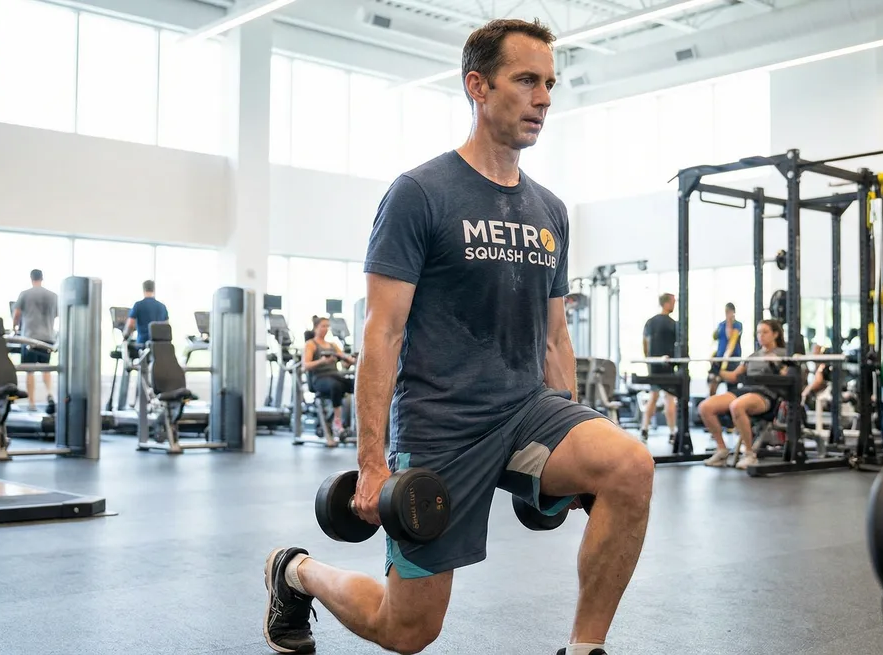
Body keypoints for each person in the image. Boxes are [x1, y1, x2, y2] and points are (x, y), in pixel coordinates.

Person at [262, 19, 653, 655]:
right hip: (441, 424)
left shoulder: (550, 210)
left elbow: (554, 337)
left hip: (527, 413)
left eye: (550, 83)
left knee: (628, 465)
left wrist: (578, 428)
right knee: (407, 630)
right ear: (477, 85)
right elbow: (382, 333)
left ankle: (586, 648)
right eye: (526, 80)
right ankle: (296, 572)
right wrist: (371, 462)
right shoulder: (420, 194)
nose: (544, 98)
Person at [698, 319, 788, 470]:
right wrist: (716, 369)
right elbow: (734, 376)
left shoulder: (784, 354)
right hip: (746, 390)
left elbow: (788, 376)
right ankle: (722, 450)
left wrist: (777, 365)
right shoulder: (753, 356)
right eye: (758, 332)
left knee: (737, 406)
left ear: (776, 334)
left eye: (765, 332)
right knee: (705, 407)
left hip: (766, 393)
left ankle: (749, 454)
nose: (761, 336)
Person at [303, 316, 356, 446]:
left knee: (357, 384)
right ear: (316, 328)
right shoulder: (311, 344)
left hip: (335, 375)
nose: (326, 329)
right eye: (323, 326)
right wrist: (323, 361)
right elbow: (306, 365)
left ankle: (363, 423)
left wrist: (349, 360)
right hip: (319, 379)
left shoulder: (333, 345)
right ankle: (337, 423)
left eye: (327, 326)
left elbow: (346, 362)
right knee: (335, 386)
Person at [13, 269, 58, 412]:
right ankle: (50, 394)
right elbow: (57, 314)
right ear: (42, 278)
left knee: (30, 370)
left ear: (31, 278)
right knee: (46, 368)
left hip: (29, 337)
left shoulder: (25, 294)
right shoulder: (53, 296)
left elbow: (17, 314)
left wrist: (14, 328)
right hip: (47, 337)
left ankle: (31, 403)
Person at [640, 293, 677, 441]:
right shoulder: (674, 324)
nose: (674, 305)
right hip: (666, 366)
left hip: (654, 365)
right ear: (666, 303)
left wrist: (649, 360)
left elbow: (645, 343)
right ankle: (673, 432)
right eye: (673, 302)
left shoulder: (650, 322)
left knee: (653, 397)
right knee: (669, 398)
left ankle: (644, 429)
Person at [708, 303, 744, 395]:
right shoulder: (721, 324)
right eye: (726, 312)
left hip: (732, 358)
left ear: (733, 312)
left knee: (731, 384)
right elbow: (715, 337)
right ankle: (712, 401)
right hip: (719, 357)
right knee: (713, 379)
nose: (727, 313)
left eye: (729, 311)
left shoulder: (737, 325)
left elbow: (730, 338)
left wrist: (729, 323)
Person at [123, 280, 169, 346]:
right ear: (154, 289)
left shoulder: (138, 305)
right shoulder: (162, 306)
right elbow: (166, 327)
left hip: (142, 344)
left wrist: (125, 337)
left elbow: (130, 325)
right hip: (160, 347)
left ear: (143, 289)